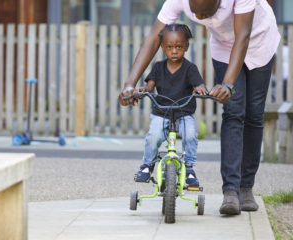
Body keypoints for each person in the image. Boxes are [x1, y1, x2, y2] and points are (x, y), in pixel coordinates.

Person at [119, 0, 280, 215]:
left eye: (206, 13)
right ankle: (231, 191)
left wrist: (228, 84)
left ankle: (246, 187)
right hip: (224, 47)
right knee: (233, 112)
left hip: (259, 41)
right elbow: (153, 37)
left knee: (253, 115)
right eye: (196, 14)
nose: (202, 19)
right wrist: (130, 84)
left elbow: (243, 36)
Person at [133, 24, 208, 188]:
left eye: (179, 47)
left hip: (184, 112)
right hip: (161, 112)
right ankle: (147, 165)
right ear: (162, 47)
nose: (174, 51)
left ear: (186, 47)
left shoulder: (190, 69)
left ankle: (189, 168)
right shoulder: (158, 67)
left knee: (190, 135)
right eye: (169, 47)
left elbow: (199, 84)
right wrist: (144, 90)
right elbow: (149, 85)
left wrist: (200, 88)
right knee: (153, 136)